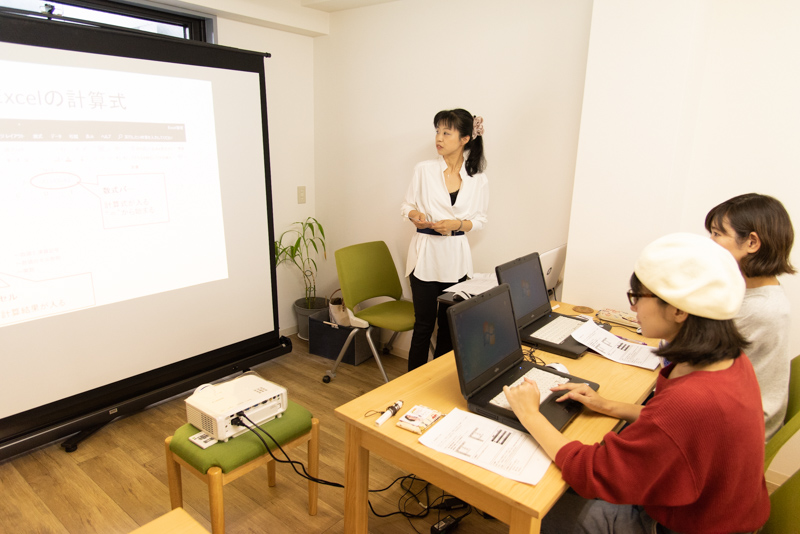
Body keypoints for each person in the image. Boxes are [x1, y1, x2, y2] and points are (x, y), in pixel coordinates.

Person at [505, 233, 770, 534]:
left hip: (677, 525)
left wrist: (530, 415)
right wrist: (607, 405)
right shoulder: (730, 360)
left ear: (679, 310)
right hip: (709, 510)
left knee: (539, 507)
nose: (633, 309)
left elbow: (592, 473)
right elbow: (675, 427)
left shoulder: (691, 401)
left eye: (637, 298)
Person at [400, 108, 489, 372]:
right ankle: (413, 384)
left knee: (449, 328)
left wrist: (457, 224)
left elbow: (480, 220)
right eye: (437, 131)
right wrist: (414, 215)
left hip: (456, 260)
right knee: (423, 326)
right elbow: (406, 205)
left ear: (465, 139)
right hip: (424, 257)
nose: (438, 138)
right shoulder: (424, 170)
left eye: (446, 132)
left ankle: (437, 381)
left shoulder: (478, 179)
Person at [705, 193, 795, 440]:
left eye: (717, 234)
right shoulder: (753, 290)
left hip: (737, 431)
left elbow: (693, 364)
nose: (710, 243)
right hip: (734, 412)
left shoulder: (760, 309)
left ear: (752, 243)